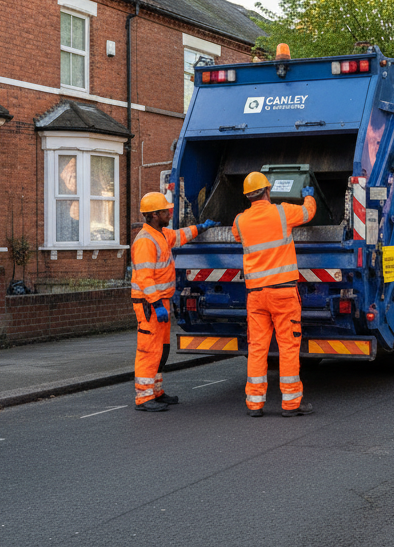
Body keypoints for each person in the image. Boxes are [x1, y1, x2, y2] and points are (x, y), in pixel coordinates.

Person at [232, 171, 317, 417]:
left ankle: (255, 403)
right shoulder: (282, 212)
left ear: (248, 196)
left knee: (257, 347)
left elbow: (237, 236)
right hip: (283, 293)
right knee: (288, 346)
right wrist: (309, 197)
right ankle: (291, 403)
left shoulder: (240, 221)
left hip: (256, 295)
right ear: (268, 191)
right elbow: (308, 213)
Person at [130, 191, 217, 412]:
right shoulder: (145, 241)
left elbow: (180, 235)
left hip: (160, 302)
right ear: (154, 215)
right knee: (149, 350)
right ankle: (143, 397)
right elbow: (144, 277)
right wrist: (157, 304)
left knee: (161, 349)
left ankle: (156, 392)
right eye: (165, 211)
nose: (170, 212)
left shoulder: (160, 234)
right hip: (150, 304)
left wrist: (202, 227)